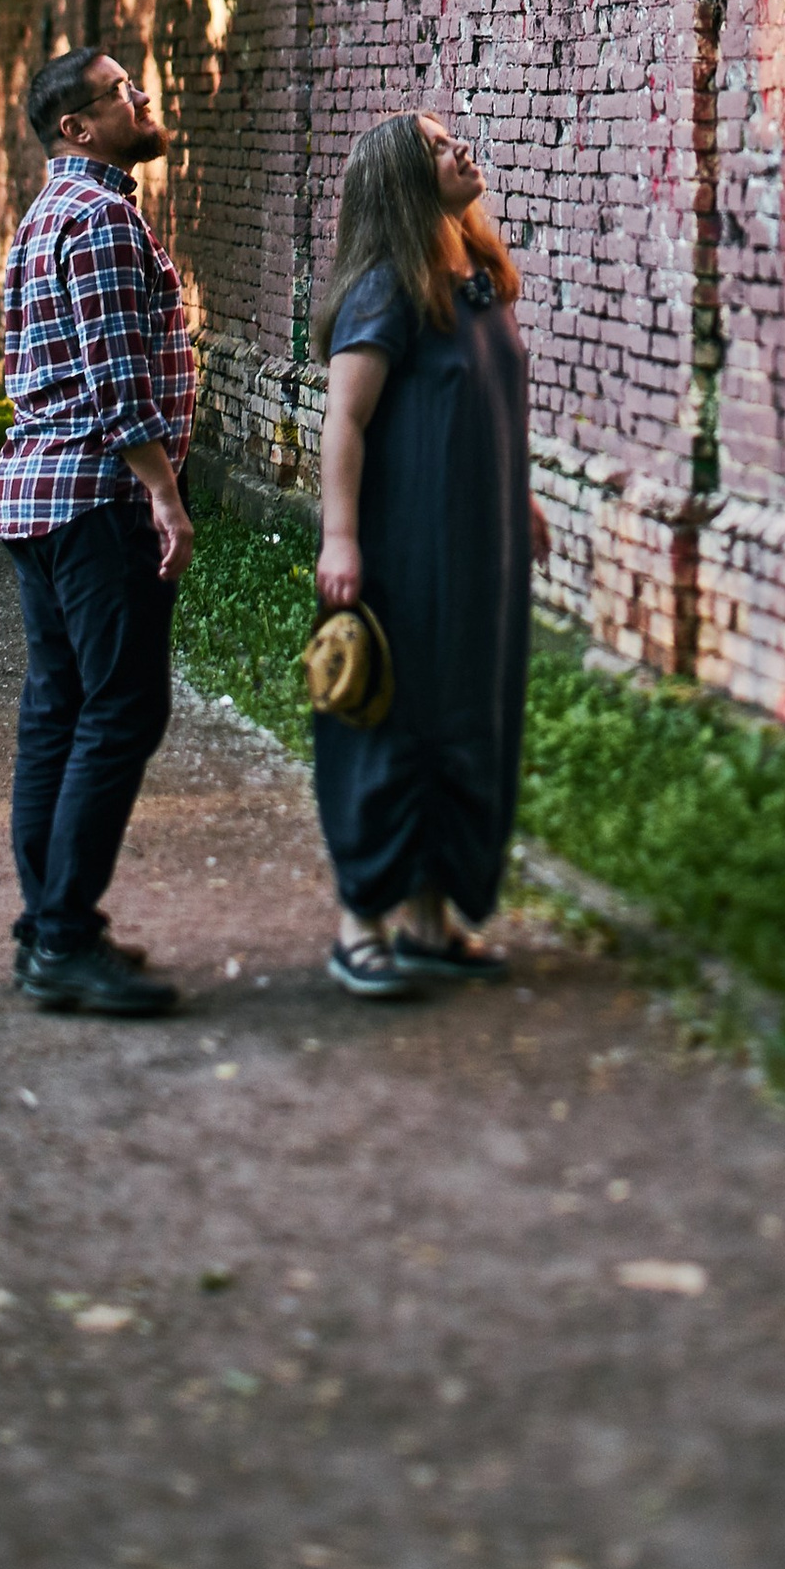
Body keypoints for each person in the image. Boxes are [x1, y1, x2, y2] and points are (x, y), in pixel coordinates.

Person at [311, 109, 547, 1003]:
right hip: (403, 543)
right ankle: (361, 924)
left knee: (465, 717)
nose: (461, 147)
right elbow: (346, 420)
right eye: (438, 146)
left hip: (475, 540)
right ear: (405, 181)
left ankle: (431, 920)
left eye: (453, 136)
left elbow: (482, 402)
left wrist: (513, 491)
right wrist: (340, 537)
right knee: (393, 719)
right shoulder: (385, 287)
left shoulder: (478, 278)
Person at [0, 45, 195, 1017]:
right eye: (122, 92)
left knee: (59, 705)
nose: (142, 97)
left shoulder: (44, 217)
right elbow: (119, 380)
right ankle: (64, 935)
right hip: (95, 496)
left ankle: (49, 923)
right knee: (121, 709)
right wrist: (163, 493)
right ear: (78, 127)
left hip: (35, 492)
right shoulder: (104, 217)